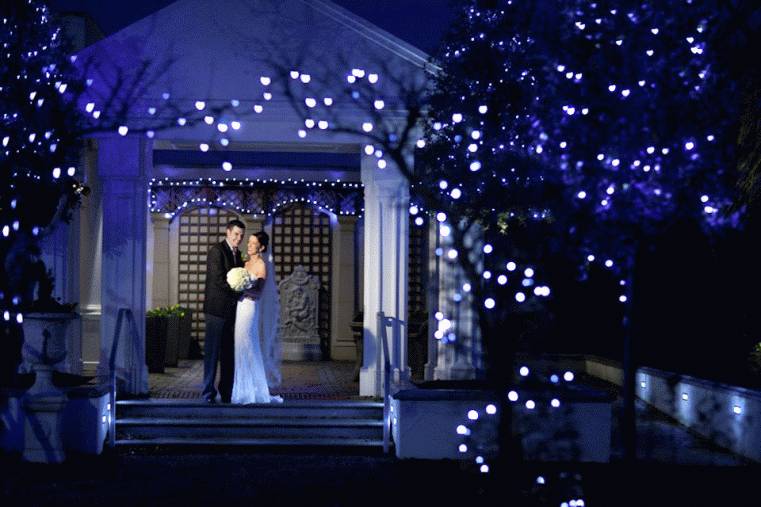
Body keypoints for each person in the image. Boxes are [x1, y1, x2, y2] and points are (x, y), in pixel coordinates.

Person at [231, 231, 283, 404]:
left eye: (253, 243)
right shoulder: (244, 264)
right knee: (240, 346)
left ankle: (254, 390)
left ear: (261, 247)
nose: (249, 245)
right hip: (240, 306)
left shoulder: (261, 265)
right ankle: (241, 388)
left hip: (250, 307)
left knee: (249, 345)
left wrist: (241, 288)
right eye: (250, 242)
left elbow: (258, 292)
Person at [201, 219, 245, 403]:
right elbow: (217, 280)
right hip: (216, 310)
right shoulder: (216, 251)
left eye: (241, 236)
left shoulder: (238, 255)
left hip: (231, 312)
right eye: (235, 234)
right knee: (212, 353)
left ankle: (226, 392)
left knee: (228, 354)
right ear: (228, 232)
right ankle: (207, 393)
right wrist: (237, 291)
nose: (238, 238)